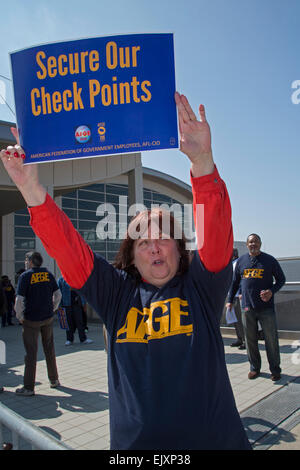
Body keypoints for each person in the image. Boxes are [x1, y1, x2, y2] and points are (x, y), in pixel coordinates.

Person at [0, 93, 251, 449]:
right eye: (142, 241)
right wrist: (30, 188)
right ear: (131, 257)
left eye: (163, 238)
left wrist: (202, 161)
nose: (153, 246)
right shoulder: (115, 293)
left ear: (180, 251)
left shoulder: (202, 286)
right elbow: (70, 249)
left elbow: (214, 232)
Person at [227, 234, 286, 382]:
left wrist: (271, 291)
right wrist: (229, 301)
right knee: (250, 340)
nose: (253, 244)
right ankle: (254, 368)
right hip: (247, 307)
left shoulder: (269, 260)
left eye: (256, 242)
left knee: (271, 340)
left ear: (260, 244)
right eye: (251, 242)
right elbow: (235, 283)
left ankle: (275, 370)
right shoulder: (241, 261)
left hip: (266, 308)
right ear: (247, 245)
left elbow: (281, 279)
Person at [14, 251, 62, 396]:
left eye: (25, 260)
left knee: (31, 354)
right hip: (47, 318)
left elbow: (19, 300)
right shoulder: (48, 274)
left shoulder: (25, 276)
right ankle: (54, 380)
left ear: (30, 261)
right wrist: (52, 309)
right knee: (49, 349)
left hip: (31, 320)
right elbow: (58, 294)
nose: (25, 262)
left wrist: (20, 316)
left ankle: (28, 387)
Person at [58, 276, 93, 346]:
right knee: (68, 322)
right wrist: (60, 305)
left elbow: (82, 291)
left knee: (80, 321)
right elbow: (59, 293)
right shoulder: (61, 280)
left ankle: (83, 338)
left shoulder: (77, 277)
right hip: (66, 304)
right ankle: (69, 339)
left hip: (77, 303)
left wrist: (84, 303)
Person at [229, 249, 246, 350]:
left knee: (240, 319)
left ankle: (245, 340)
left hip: (238, 296)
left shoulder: (238, 263)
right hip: (231, 295)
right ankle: (239, 339)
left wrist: (240, 292)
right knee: (235, 319)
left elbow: (241, 279)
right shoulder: (231, 264)